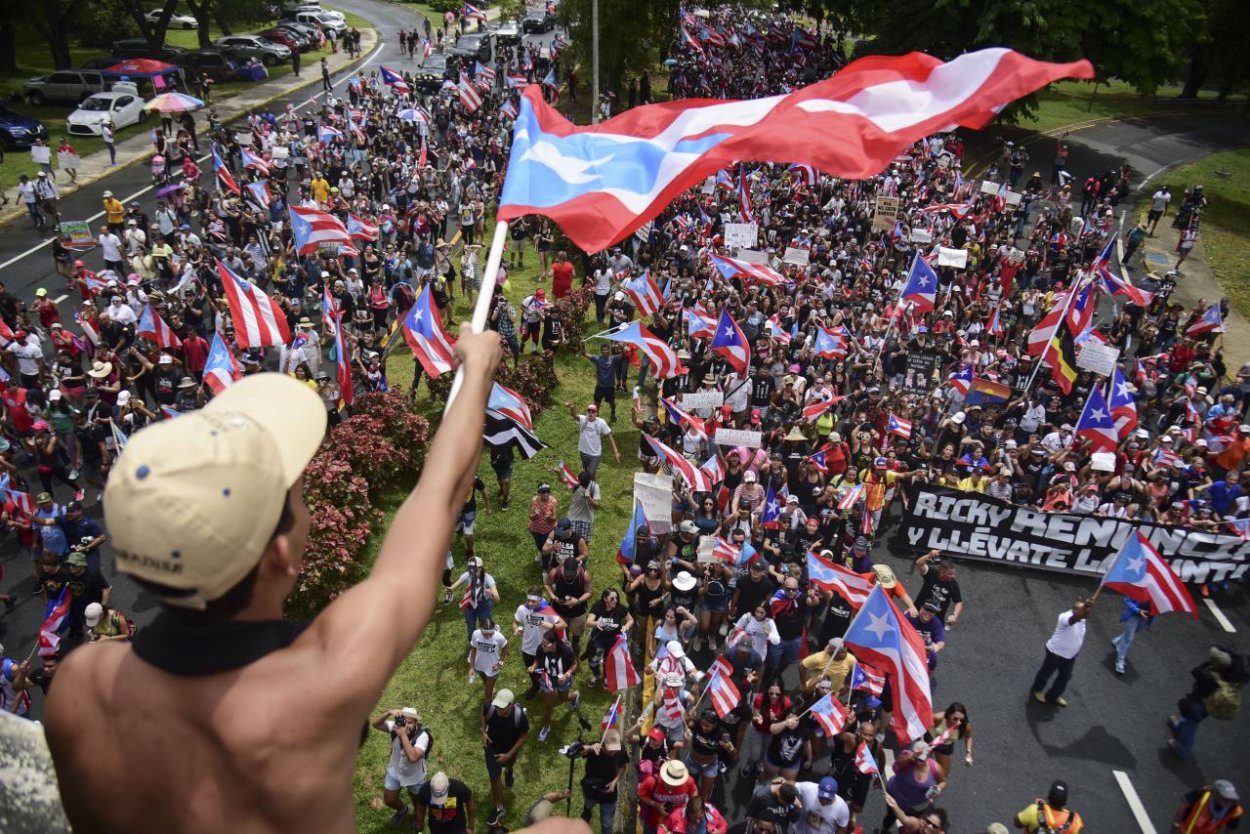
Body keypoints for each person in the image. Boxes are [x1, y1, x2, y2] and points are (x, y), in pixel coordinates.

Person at [41, 335, 579, 834]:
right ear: (280, 554)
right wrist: (478, 368)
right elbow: (442, 495)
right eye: (297, 494)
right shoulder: (321, 677)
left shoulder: (80, 687)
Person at [1169, 644, 1247, 758]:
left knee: (1191, 723)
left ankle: (1182, 748)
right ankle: (1179, 727)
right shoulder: (1230, 677)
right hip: (1208, 704)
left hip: (1199, 704)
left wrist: (1206, 665)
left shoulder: (1209, 676)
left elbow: (1196, 672)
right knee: (1189, 719)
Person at [370, 706, 432, 827]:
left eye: (410, 722)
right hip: (395, 771)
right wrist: (388, 712)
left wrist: (403, 735)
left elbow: (413, 757)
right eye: (404, 721)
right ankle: (402, 810)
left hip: (415, 775)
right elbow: (375, 724)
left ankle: (416, 815)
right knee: (389, 800)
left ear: (416, 723)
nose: (406, 725)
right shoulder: (396, 727)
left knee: (417, 800)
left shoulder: (422, 736)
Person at [1029, 597, 1094, 707]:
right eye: (1083, 610)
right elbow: (1074, 619)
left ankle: (1053, 695)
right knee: (1045, 673)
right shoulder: (1065, 617)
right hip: (1056, 654)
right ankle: (1037, 690)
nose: (1086, 613)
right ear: (1075, 610)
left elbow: (1085, 615)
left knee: (1065, 677)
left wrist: (1087, 609)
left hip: (1070, 656)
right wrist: (1085, 607)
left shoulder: (1083, 619)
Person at [481, 688, 531, 827]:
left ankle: (509, 771)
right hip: (492, 749)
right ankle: (499, 807)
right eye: (497, 706)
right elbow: (483, 713)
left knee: (510, 764)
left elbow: (523, 736)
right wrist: (483, 730)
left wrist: (509, 755)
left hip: (510, 749)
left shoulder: (519, 717)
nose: (498, 710)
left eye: (502, 708)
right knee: (494, 775)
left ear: (511, 705)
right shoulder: (490, 707)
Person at [577, 729, 629, 834]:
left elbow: (623, 766)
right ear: (603, 745)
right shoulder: (595, 748)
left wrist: (615, 781)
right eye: (611, 750)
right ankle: (586, 815)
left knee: (607, 825)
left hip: (608, 794)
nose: (614, 752)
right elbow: (578, 751)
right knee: (587, 807)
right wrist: (590, 748)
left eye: (616, 749)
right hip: (591, 790)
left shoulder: (620, 750)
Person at [566, 401, 619, 476]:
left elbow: (609, 435)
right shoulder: (583, 419)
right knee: (587, 471)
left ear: (596, 413)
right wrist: (572, 408)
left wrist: (615, 451)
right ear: (587, 412)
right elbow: (574, 415)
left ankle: (592, 486)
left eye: (593, 411)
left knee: (590, 473)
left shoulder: (601, 422)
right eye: (589, 411)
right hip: (583, 452)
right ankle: (591, 485)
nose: (591, 413)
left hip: (595, 454)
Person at [1171, 779, 1242, 833]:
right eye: (1225, 797)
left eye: (1230, 798)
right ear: (1215, 793)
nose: (1227, 800)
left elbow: (1231, 829)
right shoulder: (1201, 794)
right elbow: (1183, 805)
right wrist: (1176, 824)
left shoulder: (1235, 811)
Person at [1014, 780, 1083, 833]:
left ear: (1049, 797)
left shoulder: (1034, 811)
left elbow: (1017, 823)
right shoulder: (1074, 820)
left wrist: (1038, 806)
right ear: (1064, 802)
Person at [468, 617, 508, 704]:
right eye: (485, 633)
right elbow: (473, 649)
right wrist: (471, 667)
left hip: (492, 668)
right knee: (485, 682)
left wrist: (500, 663)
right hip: (479, 665)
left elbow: (505, 649)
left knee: (487, 694)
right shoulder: (476, 634)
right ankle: (491, 689)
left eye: (490, 633)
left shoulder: (499, 637)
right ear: (480, 629)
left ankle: (489, 710)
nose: (488, 636)